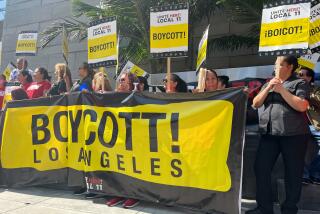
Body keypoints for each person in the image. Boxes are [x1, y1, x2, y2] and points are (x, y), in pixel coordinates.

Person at [247, 56, 310, 214]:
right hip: (269, 134)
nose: (276, 68)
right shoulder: (269, 83)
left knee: (293, 173)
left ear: (290, 67)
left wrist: (282, 90)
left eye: (279, 65)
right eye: (275, 65)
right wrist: (268, 88)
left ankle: (289, 209)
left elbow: (302, 106)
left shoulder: (299, 83)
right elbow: (255, 103)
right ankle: (264, 208)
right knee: (261, 168)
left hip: (294, 135)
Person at [106, 72, 140, 209]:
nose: (121, 82)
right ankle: (119, 192)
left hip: (133, 138)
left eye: (124, 80)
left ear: (131, 83)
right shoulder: (112, 97)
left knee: (131, 167)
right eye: (120, 80)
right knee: (118, 165)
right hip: (117, 138)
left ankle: (133, 195)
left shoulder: (137, 97)